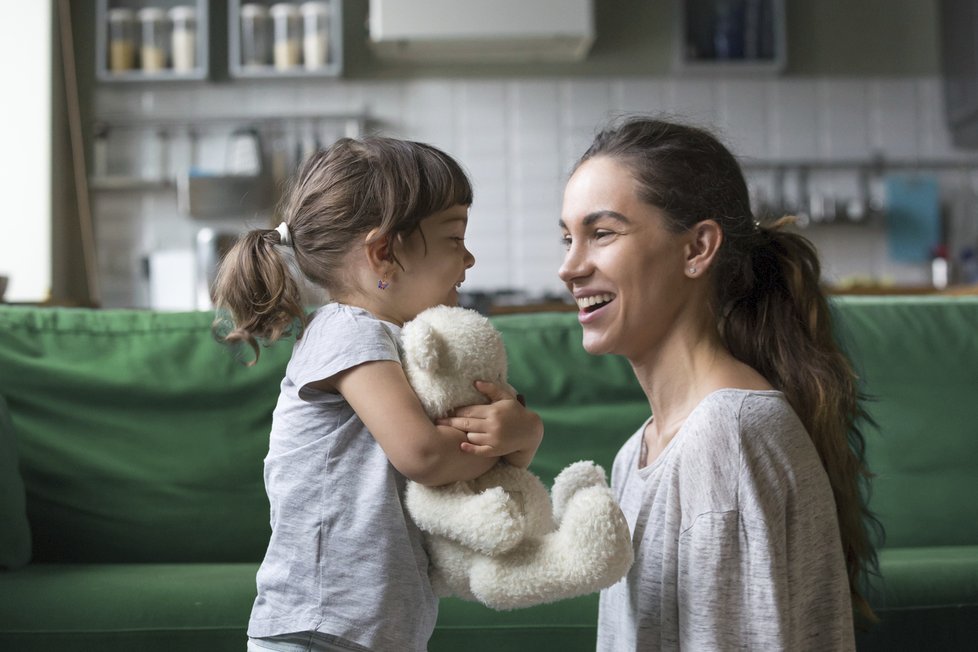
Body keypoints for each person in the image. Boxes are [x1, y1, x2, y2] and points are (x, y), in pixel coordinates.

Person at [557, 116, 879, 651]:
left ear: (697, 249)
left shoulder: (726, 437)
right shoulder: (636, 453)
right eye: (568, 237)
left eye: (602, 233)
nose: (569, 267)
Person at [212, 136, 544, 652]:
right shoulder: (348, 331)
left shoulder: (405, 344)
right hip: (317, 627)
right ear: (385, 253)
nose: (470, 257)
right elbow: (426, 455)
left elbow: (479, 457)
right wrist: (513, 436)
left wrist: (519, 433)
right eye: (455, 238)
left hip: (376, 628)